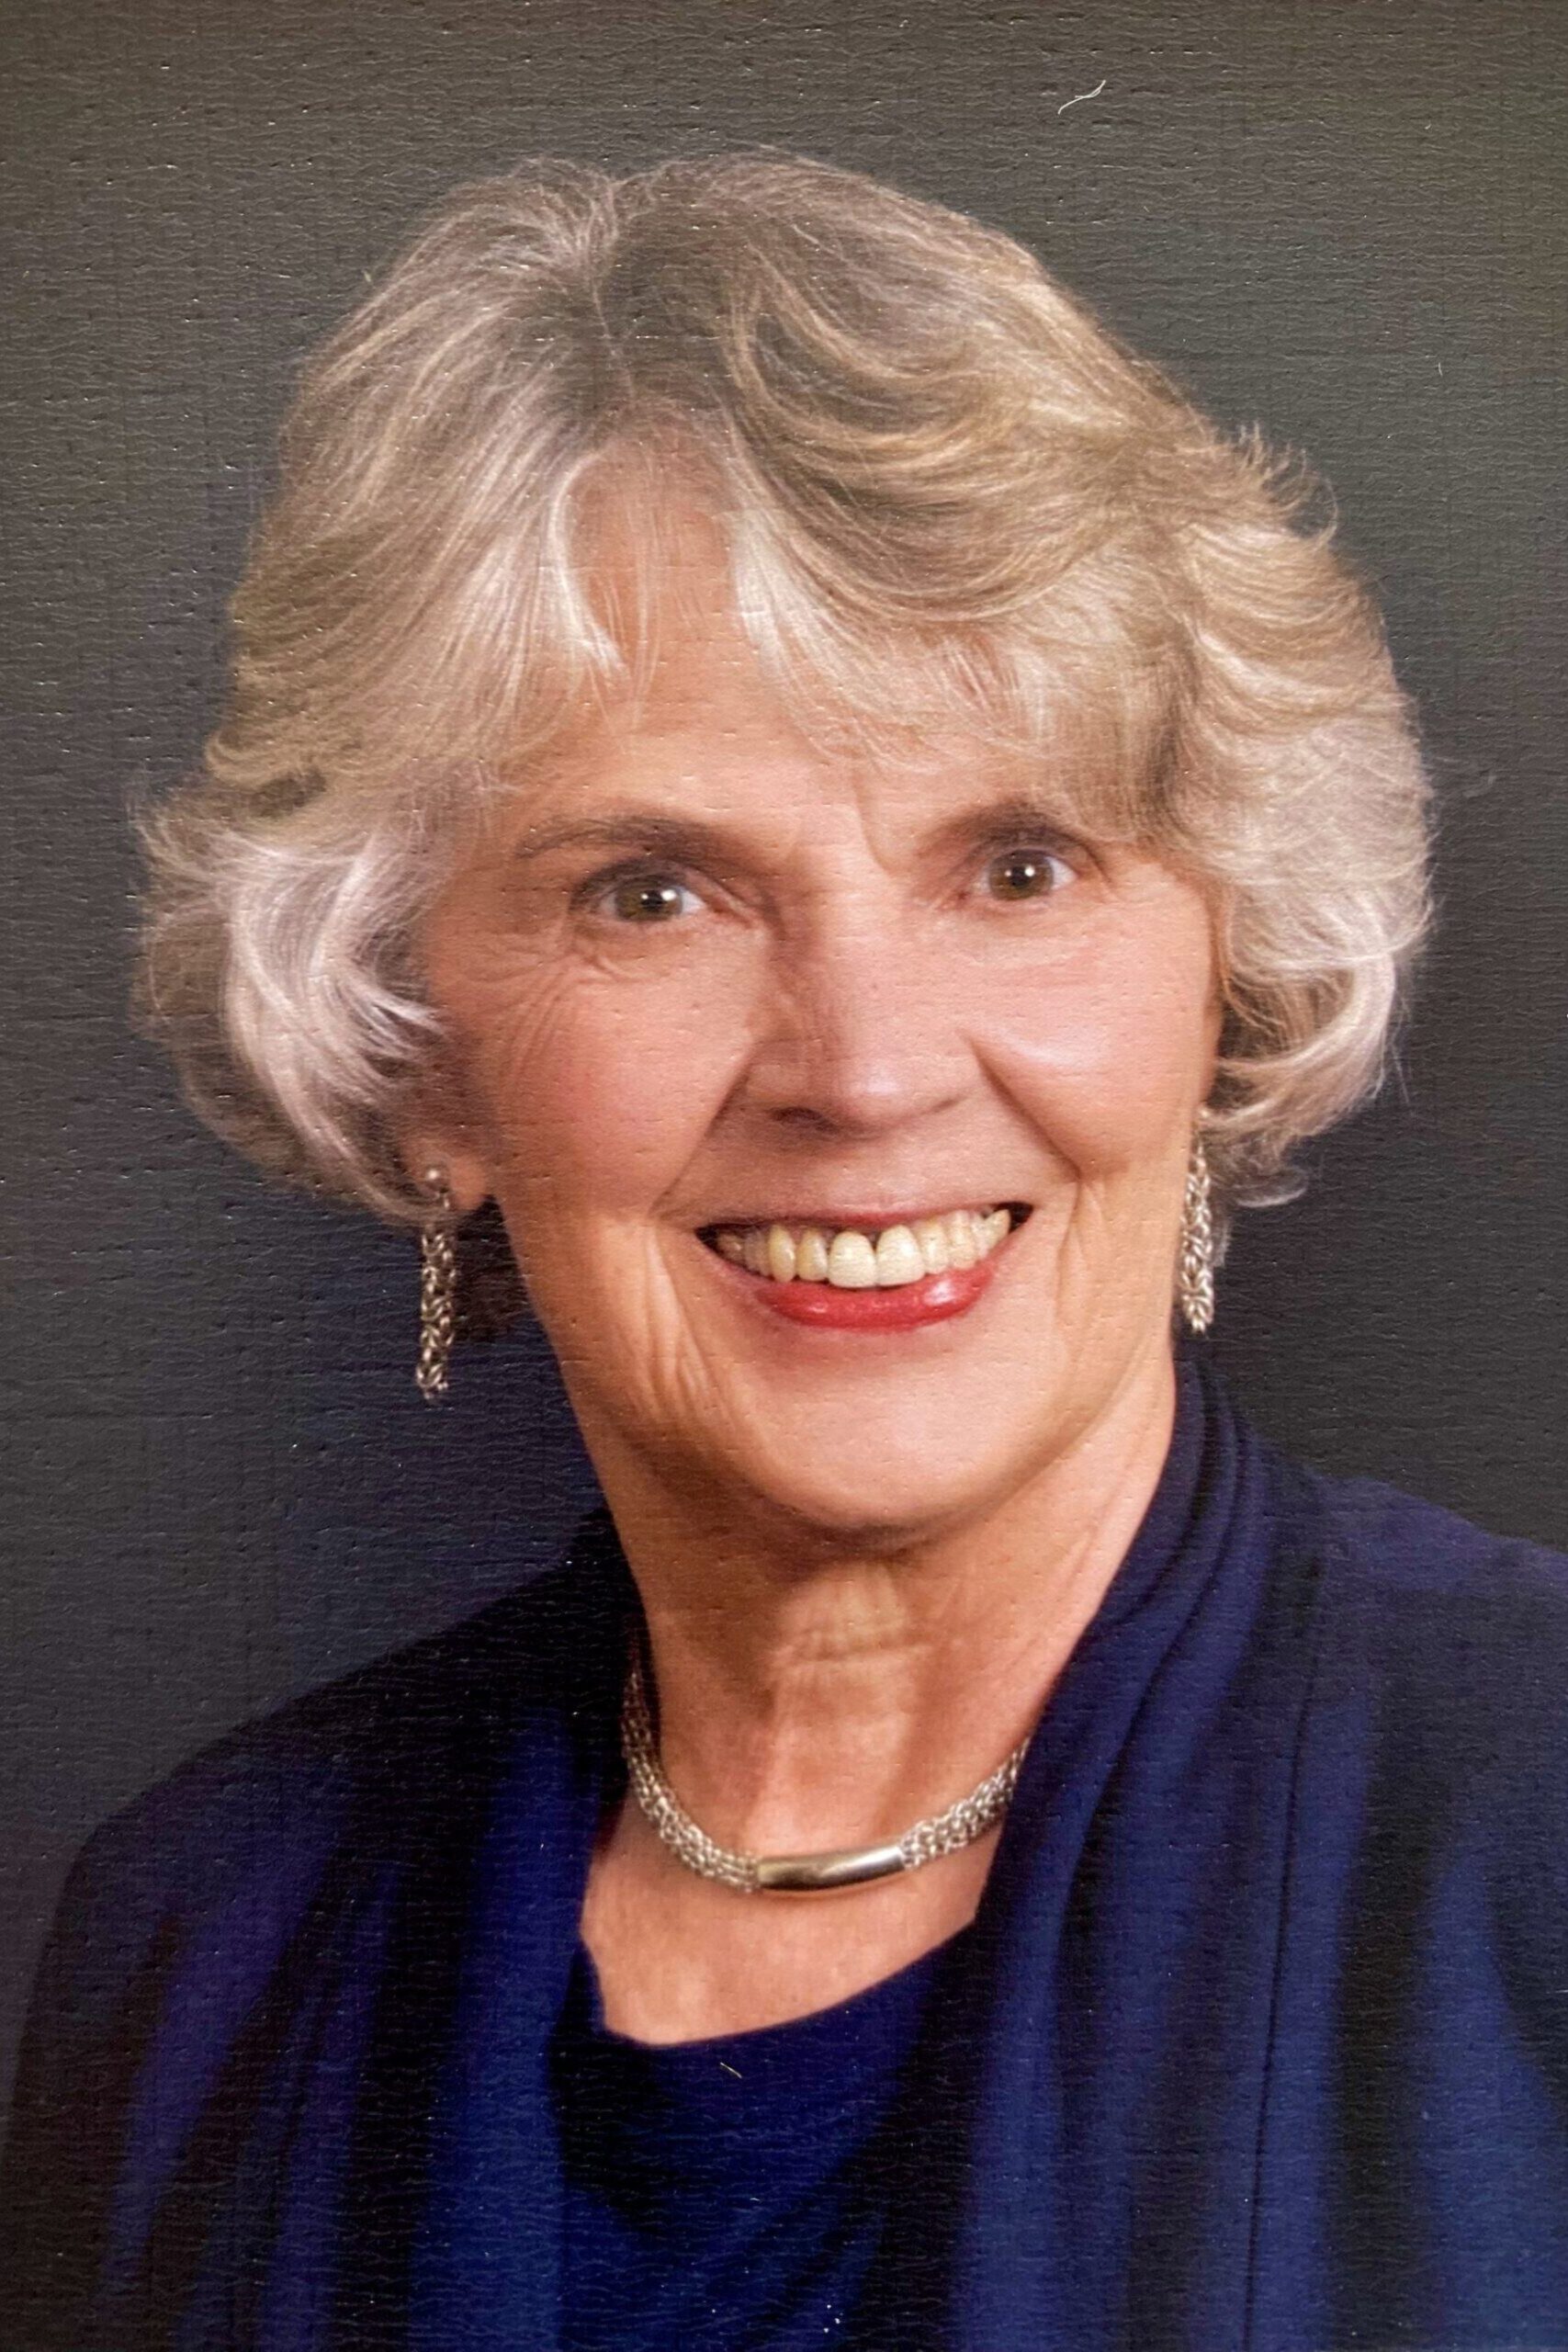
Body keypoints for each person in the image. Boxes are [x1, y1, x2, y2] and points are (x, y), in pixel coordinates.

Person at [3, 152, 1565, 2352]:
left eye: (1015, 862)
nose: (862, 1068)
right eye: (652, 889)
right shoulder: (201, 1944)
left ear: (1227, 963)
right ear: (416, 1051)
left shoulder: (1528, 1830)